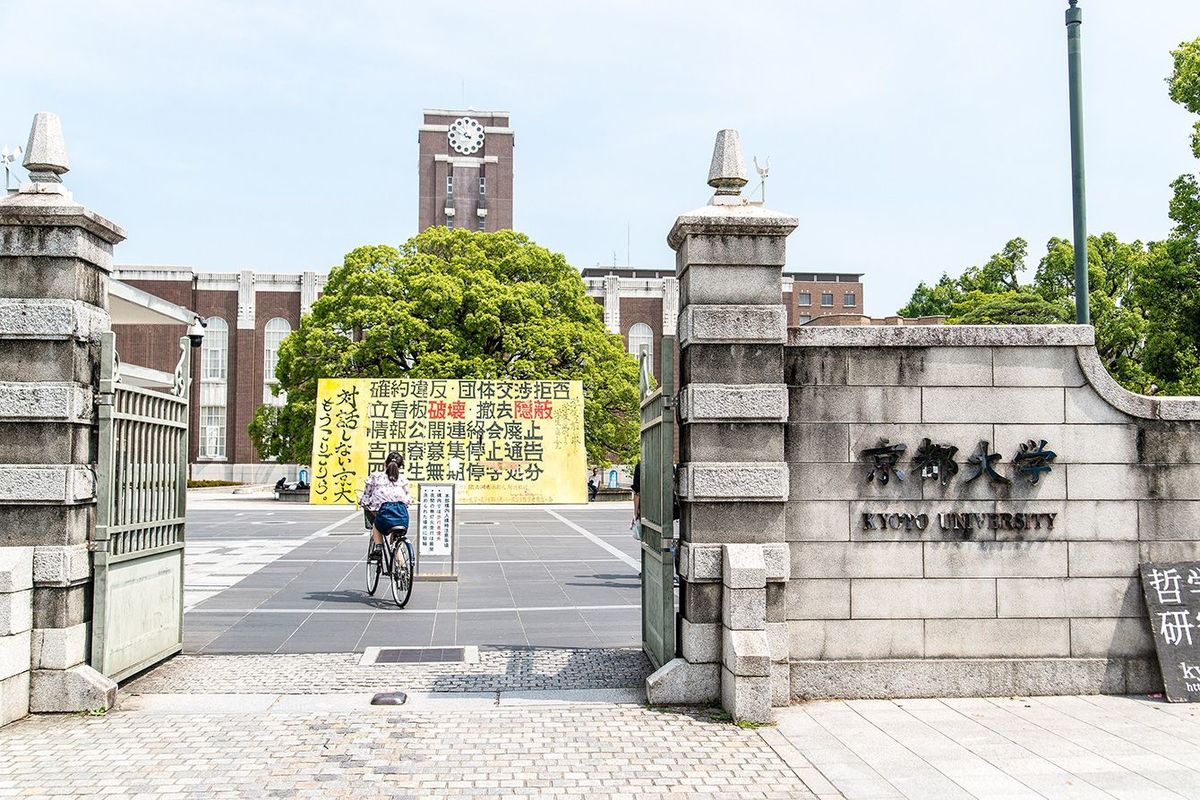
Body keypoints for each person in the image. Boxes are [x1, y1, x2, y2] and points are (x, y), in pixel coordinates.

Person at [359, 451, 412, 562]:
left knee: (376, 525)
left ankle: (378, 548)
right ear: (400, 467)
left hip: (384, 513)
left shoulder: (375, 477)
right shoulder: (402, 480)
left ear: (385, 464)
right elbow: (408, 500)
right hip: (402, 515)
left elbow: (366, 495)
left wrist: (364, 503)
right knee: (397, 538)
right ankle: (402, 568)